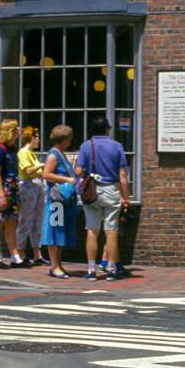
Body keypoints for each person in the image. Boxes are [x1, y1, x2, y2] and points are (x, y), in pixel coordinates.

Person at [75, 117, 130, 281]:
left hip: (92, 192)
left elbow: (78, 171)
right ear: (107, 129)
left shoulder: (86, 145)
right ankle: (112, 269)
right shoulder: (117, 146)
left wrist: (87, 175)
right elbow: (123, 175)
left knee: (92, 230)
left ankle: (91, 270)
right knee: (111, 231)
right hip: (111, 190)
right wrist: (125, 196)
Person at [41, 125, 79, 279]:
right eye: (69, 139)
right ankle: (54, 266)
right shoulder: (54, 156)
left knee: (60, 231)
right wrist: (67, 179)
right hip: (56, 200)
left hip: (63, 201)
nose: (70, 142)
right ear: (64, 140)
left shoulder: (60, 154)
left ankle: (58, 264)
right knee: (55, 232)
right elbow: (46, 174)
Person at [0, 119, 21, 269]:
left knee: (12, 222)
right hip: (1, 189)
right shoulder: (0, 150)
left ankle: (15, 256)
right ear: (11, 131)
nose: (20, 130)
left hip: (12, 188)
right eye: (16, 128)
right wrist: (1, 195)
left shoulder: (13, 148)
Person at [16, 126, 47, 267]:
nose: (39, 140)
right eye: (37, 137)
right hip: (28, 186)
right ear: (32, 138)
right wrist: (41, 164)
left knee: (37, 220)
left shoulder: (31, 153)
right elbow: (27, 170)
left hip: (37, 185)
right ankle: (21, 252)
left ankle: (37, 253)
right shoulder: (24, 152)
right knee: (26, 219)